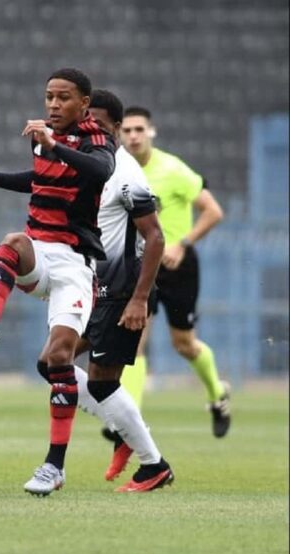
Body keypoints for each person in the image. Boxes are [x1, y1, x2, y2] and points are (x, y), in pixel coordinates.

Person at [0, 68, 116, 496]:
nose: (53, 105)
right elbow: (40, 180)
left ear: (84, 103)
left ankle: (54, 465)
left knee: (58, 360)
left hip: (75, 265)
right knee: (12, 242)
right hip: (39, 253)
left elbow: (100, 172)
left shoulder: (97, 139)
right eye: (49, 97)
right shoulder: (40, 135)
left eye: (63, 98)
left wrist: (54, 145)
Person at [71, 89, 173, 490]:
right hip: (93, 287)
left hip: (121, 290)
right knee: (52, 362)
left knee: (100, 381)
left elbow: (157, 237)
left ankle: (154, 465)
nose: (88, 128)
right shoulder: (91, 166)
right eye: (85, 122)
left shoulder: (126, 173)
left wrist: (139, 299)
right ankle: (128, 430)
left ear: (114, 125)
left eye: (96, 121)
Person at [120, 106, 230, 438]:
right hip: (141, 267)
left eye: (139, 129)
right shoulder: (118, 170)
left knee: (184, 343)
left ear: (151, 131)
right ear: (119, 134)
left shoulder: (173, 169)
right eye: (127, 131)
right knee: (134, 341)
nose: (134, 136)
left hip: (177, 266)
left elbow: (213, 211)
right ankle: (129, 418)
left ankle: (217, 394)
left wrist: (182, 244)